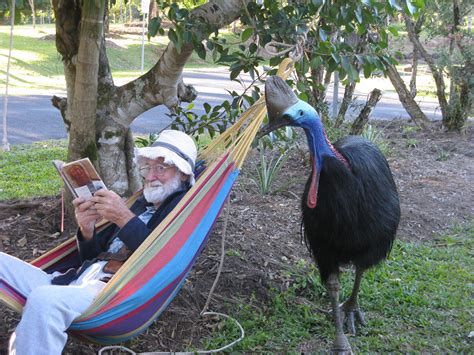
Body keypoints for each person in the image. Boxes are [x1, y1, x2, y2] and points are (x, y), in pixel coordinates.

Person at [0, 130, 197, 355]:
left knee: (44, 301)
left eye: (161, 168)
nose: (151, 176)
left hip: (109, 295)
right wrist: (87, 230)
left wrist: (124, 217)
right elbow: (93, 256)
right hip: (74, 283)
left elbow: (160, 258)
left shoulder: (183, 210)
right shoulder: (141, 203)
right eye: (147, 168)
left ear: (183, 173)